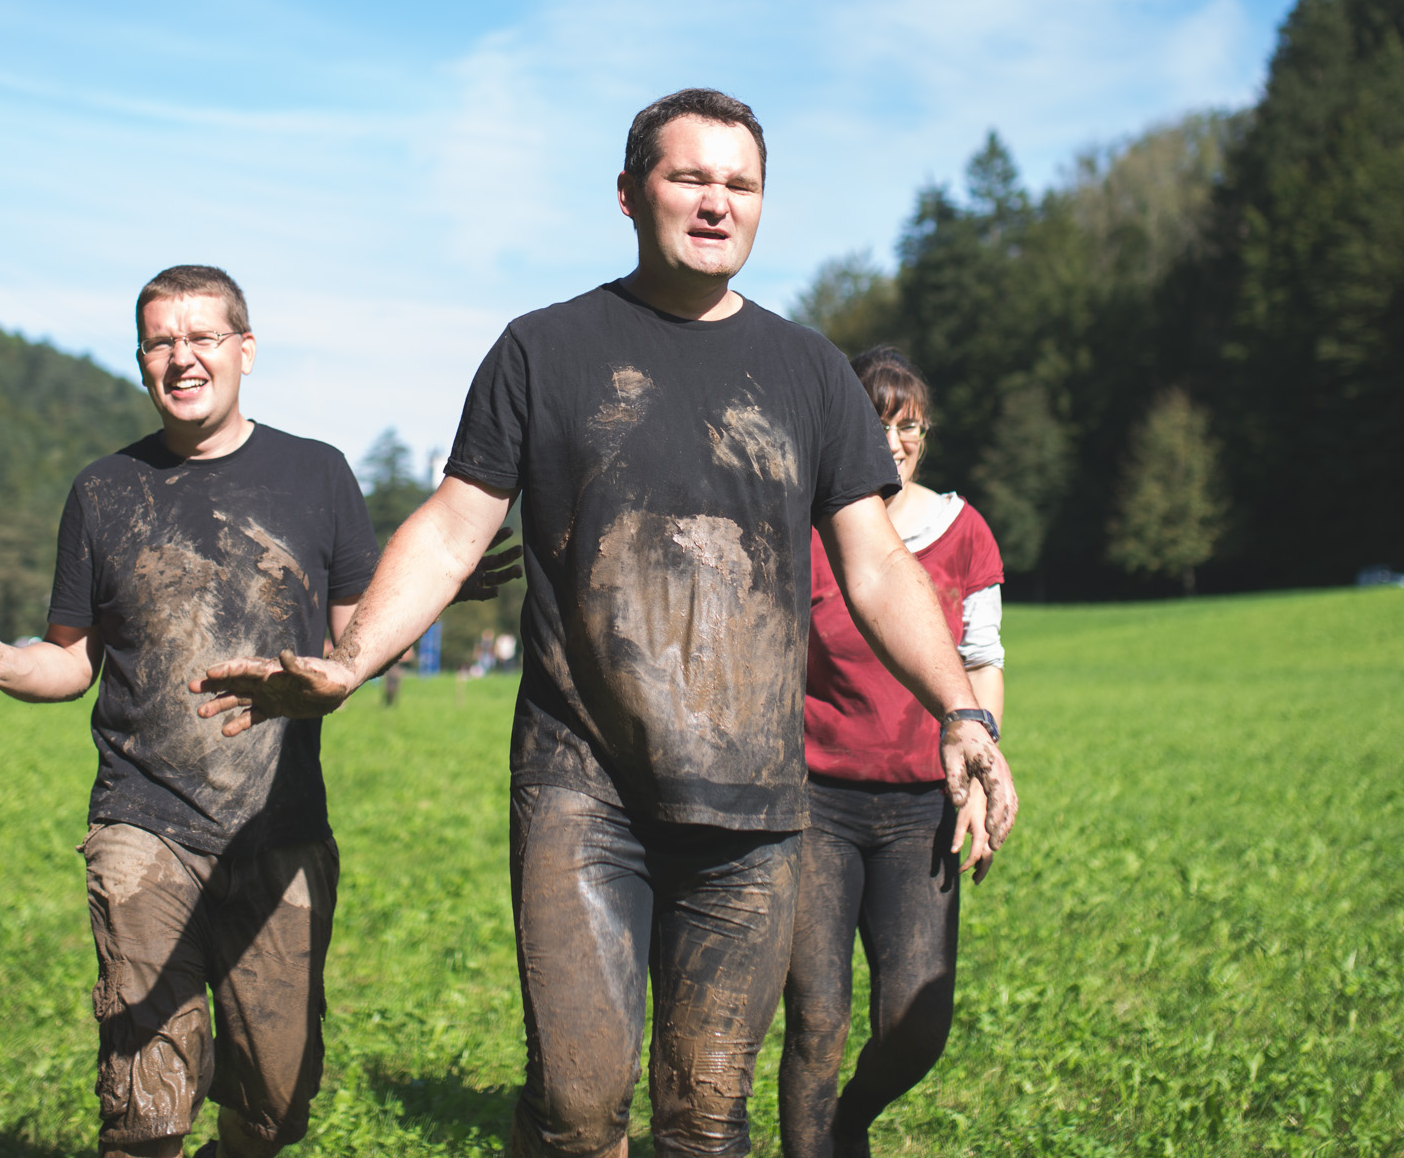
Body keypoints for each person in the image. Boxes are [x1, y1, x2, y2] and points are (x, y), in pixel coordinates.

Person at [192, 89, 1019, 1157]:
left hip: (755, 809)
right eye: (690, 178)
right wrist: (351, 660)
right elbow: (453, 528)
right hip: (583, 793)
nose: (717, 202)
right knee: (580, 1105)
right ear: (629, 193)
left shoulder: (810, 370)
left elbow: (875, 563)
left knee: (706, 1119)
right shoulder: (543, 351)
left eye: (740, 184)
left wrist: (960, 709)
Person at [0, 266, 390, 1158]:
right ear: (142, 359)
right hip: (143, 822)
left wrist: (417, 603)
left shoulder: (318, 475)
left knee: (277, 1103)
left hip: (280, 824)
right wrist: (0, 663)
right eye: (160, 342)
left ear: (245, 350)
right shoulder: (103, 491)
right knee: (145, 1107)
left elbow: (356, 645)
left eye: (203, 337)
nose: (181, 358)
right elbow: (71, 659)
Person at [778, 346, 1007, 1158]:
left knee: (918, 1019)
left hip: (922, 804)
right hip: (816, 801)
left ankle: (848, 1121)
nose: (897, 440)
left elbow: (983, 662)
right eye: (878, 421)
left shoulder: (963, 531)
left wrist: (981, 774)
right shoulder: (808, 525)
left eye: (911, 425)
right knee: (817, 1016)